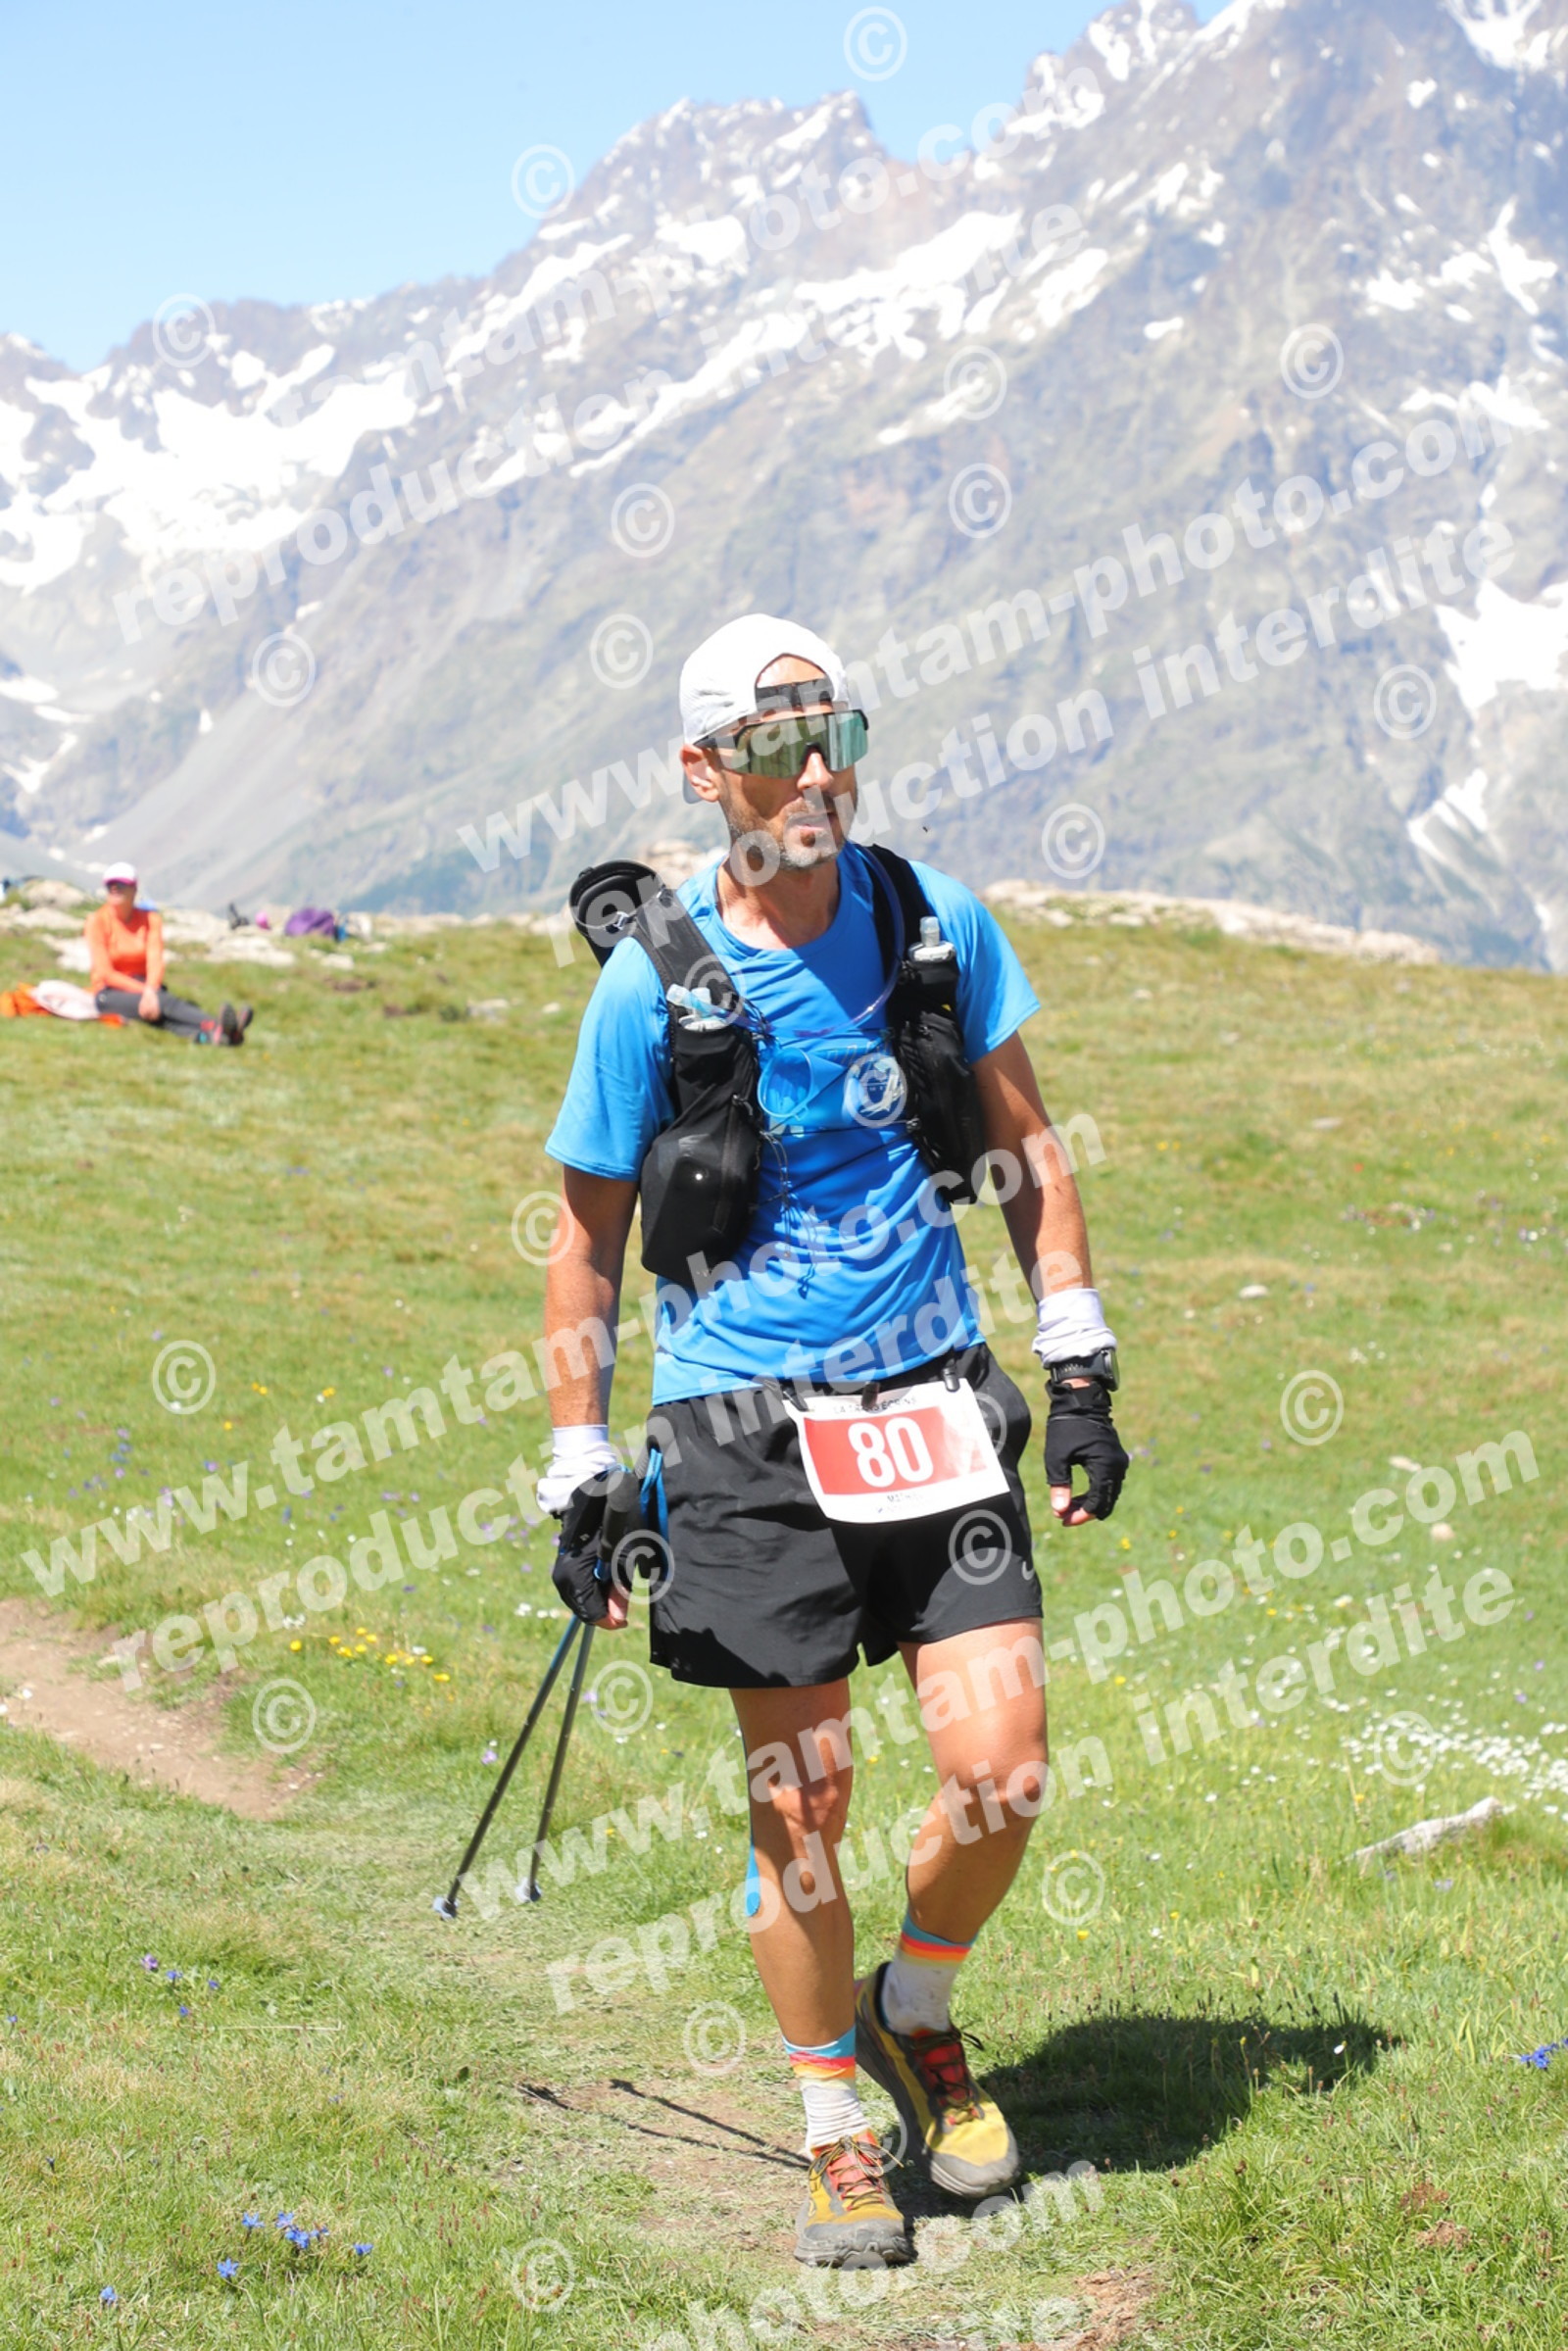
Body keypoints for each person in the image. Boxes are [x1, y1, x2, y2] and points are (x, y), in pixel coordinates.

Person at [540, 614, 1129, 2268]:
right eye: (773, 741)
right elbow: (585, 1244)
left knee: (1002, 1764)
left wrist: (1079, 1362)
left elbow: (1030, 1154)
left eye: (835, 731)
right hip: (740, 1425)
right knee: (805, 1800)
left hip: (934, 1400)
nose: (815, 768)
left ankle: (912, 2005)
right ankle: (831, 2126)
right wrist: (580, 1463)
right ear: (703, 768)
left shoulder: (934, 920)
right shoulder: (647, 984)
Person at [85, 863, 251, 1045]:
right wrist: (148, 993)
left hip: (145, 985)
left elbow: (155, 960)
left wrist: (150, 989)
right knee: (164, 1004)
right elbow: (106, 974)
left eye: (121, 884)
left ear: (134, 889)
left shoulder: (151, 920)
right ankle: (216, 1025)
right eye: (110, 885)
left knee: (162, 1019)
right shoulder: (97, 921)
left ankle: (215, 1038)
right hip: (109, 993)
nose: (115, 888)